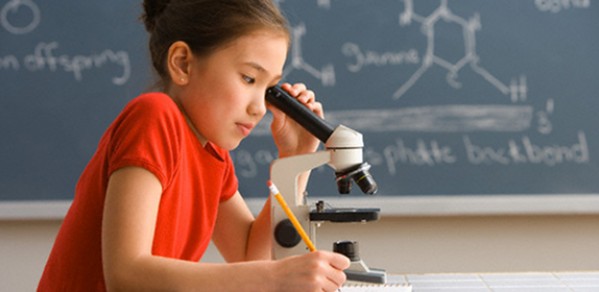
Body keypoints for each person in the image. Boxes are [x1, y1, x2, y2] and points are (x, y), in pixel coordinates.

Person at [38, 0, 350, 291]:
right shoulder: (153, 117)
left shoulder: (213, 155)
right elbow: (126, 274)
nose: (259, 108)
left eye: (269, 88)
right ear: (183, 63)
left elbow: (249, 255)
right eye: (248, 78)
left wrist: (295, 159)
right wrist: (277, 277)